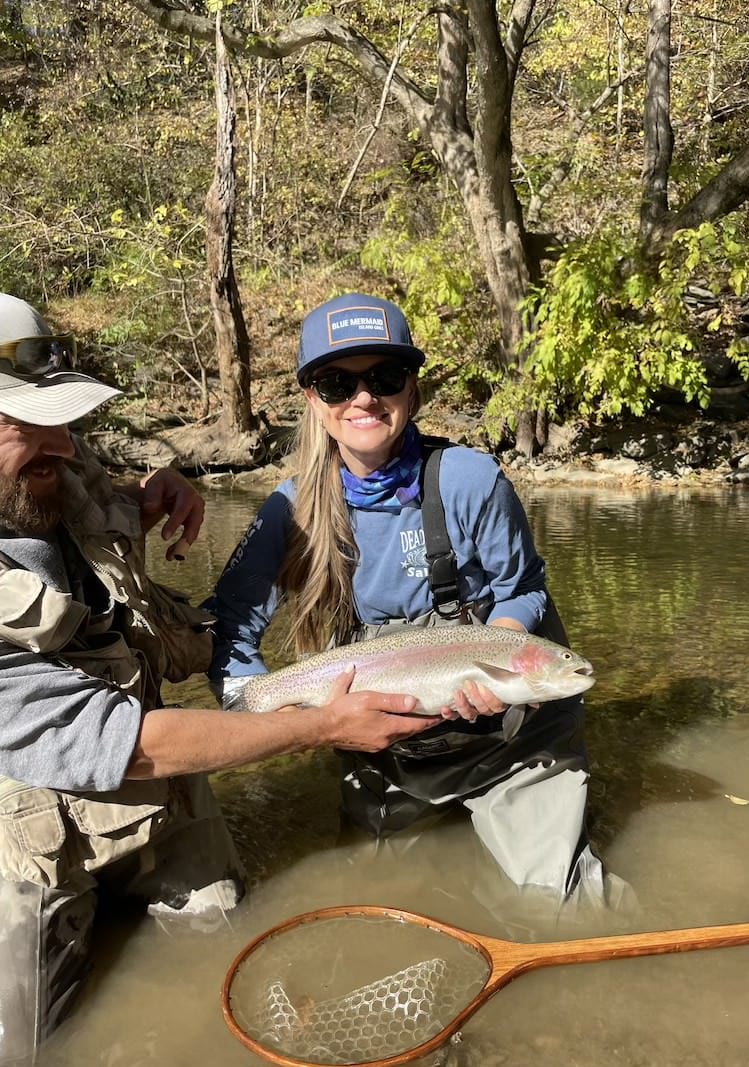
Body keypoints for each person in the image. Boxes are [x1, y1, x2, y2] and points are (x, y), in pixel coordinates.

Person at [0, 293, 432, 1066]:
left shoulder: (54, 466)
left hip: (157, 794)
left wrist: (152, 493)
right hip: (34, 823)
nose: (63, 445)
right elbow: (128, 745)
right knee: (31, 1049)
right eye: (28, 424)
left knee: (234, 975)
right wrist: (320, 724)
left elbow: (85, 511)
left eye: (67, 420)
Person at [208, 291, 615, 908]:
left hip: (509, 742)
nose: (363, 397)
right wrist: (294, 722)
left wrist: (499, 653)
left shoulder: (471, 480)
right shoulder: (287, 511)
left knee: (561, 904)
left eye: (384, 377)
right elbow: (230, 628)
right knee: (370, 902)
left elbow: (524, 589)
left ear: (412, 390)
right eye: (336, 384)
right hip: (384, 750)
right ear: (313, 401)